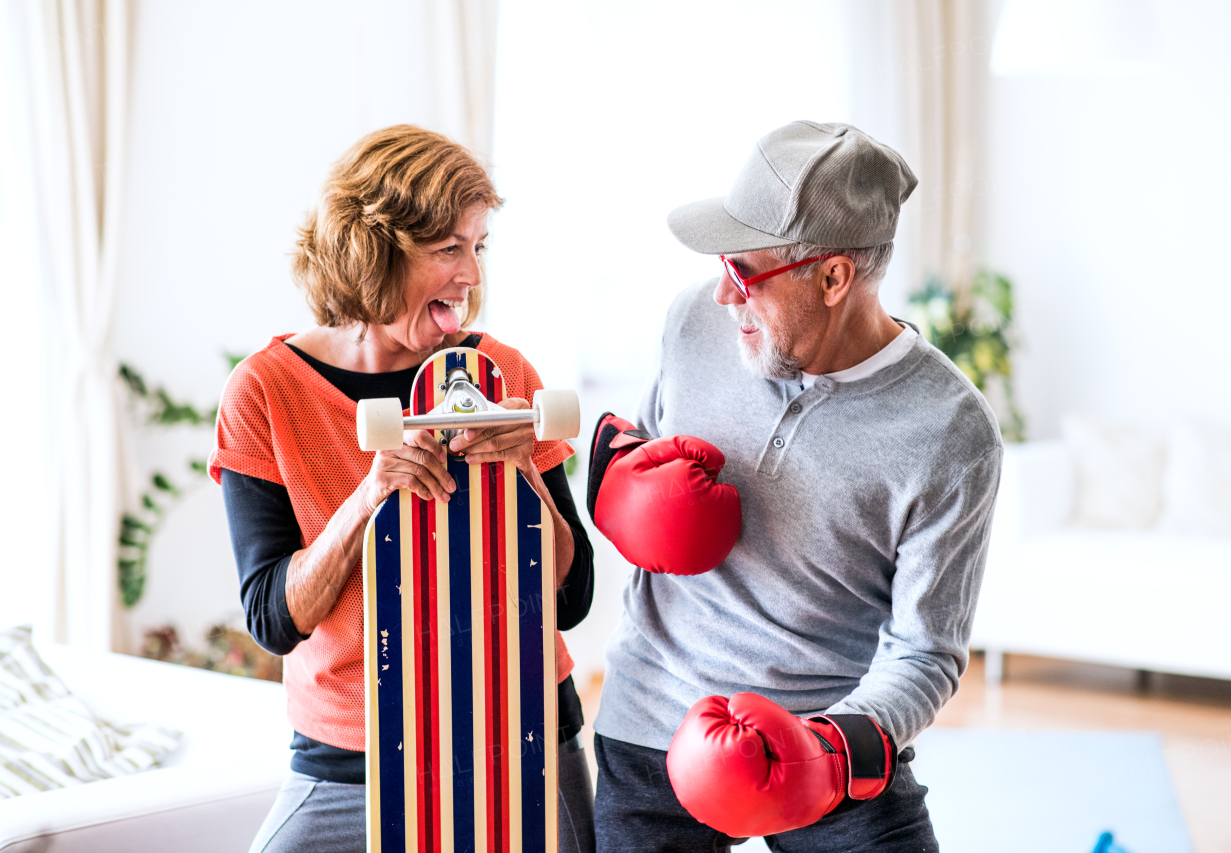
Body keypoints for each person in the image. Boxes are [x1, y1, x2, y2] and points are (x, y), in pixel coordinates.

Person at [587, 121, 1003, 852]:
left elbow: (926, 651)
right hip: (656, 712)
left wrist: (830, 751)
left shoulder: (951, 431)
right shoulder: (694, 324)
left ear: (834, 276)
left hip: (823, 735)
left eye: (745, 271)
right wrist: (621, 493)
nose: (722, 293)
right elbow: (638, 456)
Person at [208, 125, 596, 853]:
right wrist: (369, 497)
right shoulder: (265, 390)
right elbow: (272, 618)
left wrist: (525, 481)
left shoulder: (500, 374)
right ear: (373, 248)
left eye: (479, 246)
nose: (472, 275)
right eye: (449, 248)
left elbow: (571, 601)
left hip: (519, 728)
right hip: (352, 749)